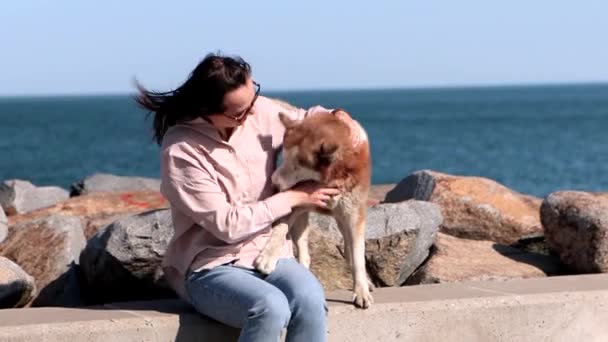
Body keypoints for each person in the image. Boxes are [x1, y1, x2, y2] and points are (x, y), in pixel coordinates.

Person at [136, 52, 339, 342]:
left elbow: (307, 120)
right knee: (269, 307)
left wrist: (338, 118)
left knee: (309, 299)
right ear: (208, 110)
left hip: (270, 253)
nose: (252, 113)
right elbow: (227, 226)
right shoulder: (182, 150)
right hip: (211, 266)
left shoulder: (260, 112)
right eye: (240, 112)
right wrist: (294, 198)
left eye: (254, 97)